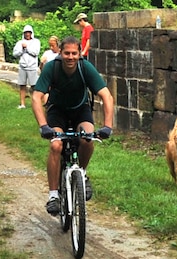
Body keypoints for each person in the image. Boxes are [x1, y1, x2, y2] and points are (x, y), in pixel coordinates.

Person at [31, 36, 113, 215]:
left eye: (74, 53)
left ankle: (82, 174)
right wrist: (43, 126)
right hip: (57, 112)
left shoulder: (85, 68)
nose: (70, 57)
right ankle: (53, 195)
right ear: (60, 53)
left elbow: (106, 96)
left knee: (87, 139)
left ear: (80, 54)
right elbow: (36, 97)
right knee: (56, 145)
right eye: (66, 53)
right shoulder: (52, 68)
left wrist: (107, 126)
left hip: (80, 110)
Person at [12, 25, 40, 109]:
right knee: (22, 85)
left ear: (31, 33)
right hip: (22, 66)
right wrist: (21, 49)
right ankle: (22, 103)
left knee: (34, 85)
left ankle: (35, 102)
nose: (27, 34)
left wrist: (27, 48)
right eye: (26, 33)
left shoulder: (36, 42)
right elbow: (15, 54)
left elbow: (35, 53)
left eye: (29, 33)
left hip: (32, 66)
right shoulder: (19, 42)